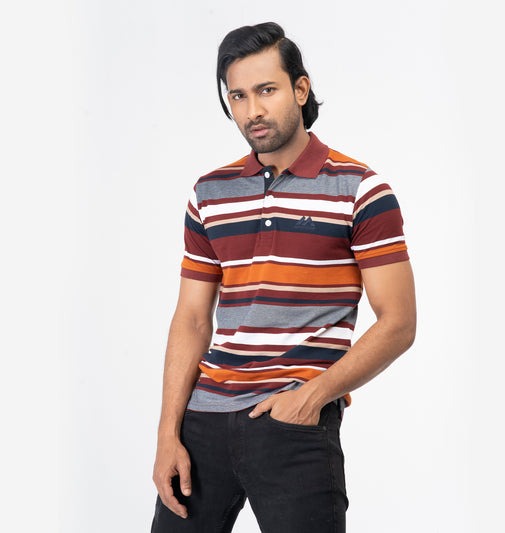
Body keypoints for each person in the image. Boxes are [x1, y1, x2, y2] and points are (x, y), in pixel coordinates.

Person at [151, 21, 416, 533]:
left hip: (293, 422)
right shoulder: (209, 193)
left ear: (300, 89)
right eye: (238, 96)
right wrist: (168, 433)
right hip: (203, 421)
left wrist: (312, 397)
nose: (253, 110)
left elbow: (399, 322)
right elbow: (191, 319)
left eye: (267, 90)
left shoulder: (360, 190)